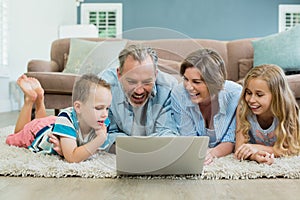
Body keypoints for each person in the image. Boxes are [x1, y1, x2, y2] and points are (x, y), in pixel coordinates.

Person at [6, 74, 112, 163]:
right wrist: (99, 139)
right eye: (99, 108)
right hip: (37, 131)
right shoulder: (66, 119)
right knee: (14, 137)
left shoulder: (102, 121)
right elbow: (72, 157)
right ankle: (30, 99)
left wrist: (66, 149)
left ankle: (40, 98)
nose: (105, 114)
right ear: (78, 107)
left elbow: (89, 149)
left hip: (53, 124)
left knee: (42, 121)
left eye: (107, 108)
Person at [98, 44, 179, 152]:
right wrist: (138, 146)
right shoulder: (104, 87)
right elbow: (105, 134)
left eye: (147, 82)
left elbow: (167, 131)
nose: (139, 90)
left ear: (155, 75)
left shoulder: (169, 88)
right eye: (131, 81)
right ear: (119, 75)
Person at [171, 48, 242, 165]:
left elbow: (231, 139)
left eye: (196, 82)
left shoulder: (235, 95)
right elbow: (189, 139)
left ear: (214, 82)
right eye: (186, 79)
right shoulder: (179, 94)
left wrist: (212, 153)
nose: (188, 87)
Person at [234, 64, 300, 165]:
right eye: (248, 93)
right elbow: (239, 148)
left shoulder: (288, 110)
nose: (251, 100)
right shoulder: (243, 109)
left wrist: (258, 148)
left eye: (259, 95)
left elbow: (292, 149)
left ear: (276, 96)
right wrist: (254, 156)